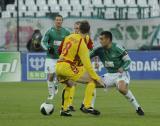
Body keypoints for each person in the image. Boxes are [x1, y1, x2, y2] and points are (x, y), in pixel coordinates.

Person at [89, 31, 144, 116]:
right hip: (109, 75)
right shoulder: (99, 49)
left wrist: (123, 68)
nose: (100, 41)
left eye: (102, 39)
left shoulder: (118, 48)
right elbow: (87, 56)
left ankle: (138, 107)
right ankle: (90, 108)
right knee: (92, 83)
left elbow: (128, 61)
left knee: (121, 88)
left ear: (108, 39)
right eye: (99, 39)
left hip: (121, 74)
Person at [56, 21, 105, 116]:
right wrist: (97, 78)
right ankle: (86, 106)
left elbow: (60, 51)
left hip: (59, 65)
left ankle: (64, 110)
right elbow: (87, 64)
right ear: (88, 31)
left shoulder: (68, 37)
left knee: (69, 84)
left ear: (79, 29)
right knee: (92, 81)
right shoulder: (81, 43)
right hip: (69, 67)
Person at [65, 21, 94, 112]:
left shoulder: (87, 38)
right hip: (71, 65)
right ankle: (69, 105)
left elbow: (92, 49)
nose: (77, 30)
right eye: (76, 28)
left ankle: (85, 105)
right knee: (72, 83)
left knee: (91, 81)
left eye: (79, 29)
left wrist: (94, 59)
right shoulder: (70, 37)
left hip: (81, 66)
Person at [41, 14, 70, 101]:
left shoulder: (66, 32)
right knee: (50, 75)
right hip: (51, 57)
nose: (58, 21)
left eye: (60, 20)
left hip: (61, 58)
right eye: (57, 20)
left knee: (59, 76)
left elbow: (70, 43)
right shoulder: (50, 31)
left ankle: (56, 84)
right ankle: (51, 94)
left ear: (62, 21)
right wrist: (48, 48)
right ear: (55, 21)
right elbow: (43, 42)